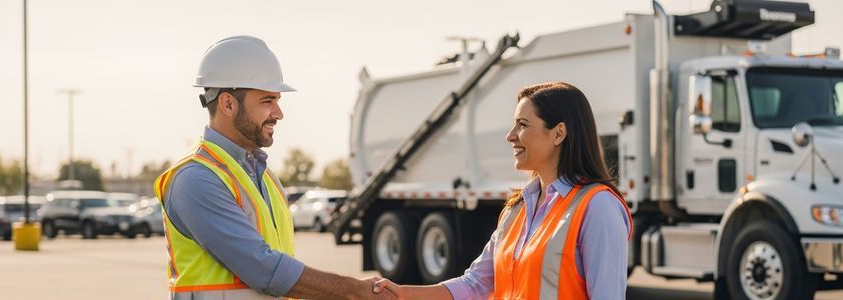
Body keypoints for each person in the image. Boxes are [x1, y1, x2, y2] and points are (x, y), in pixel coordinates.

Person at [154, 35, 395, 300]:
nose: (279, 113)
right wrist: (353, 291)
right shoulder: (195, 179)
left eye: (277, 101)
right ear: (228, 104)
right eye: (267, 101)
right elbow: (263, 269)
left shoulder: (264, 177)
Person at [372, 82, 633, 299]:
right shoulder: (516, 208)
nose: (511, 135)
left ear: (558, 134)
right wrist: (402, 293)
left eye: (522, 124)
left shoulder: (597, 207)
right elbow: (475, 283)